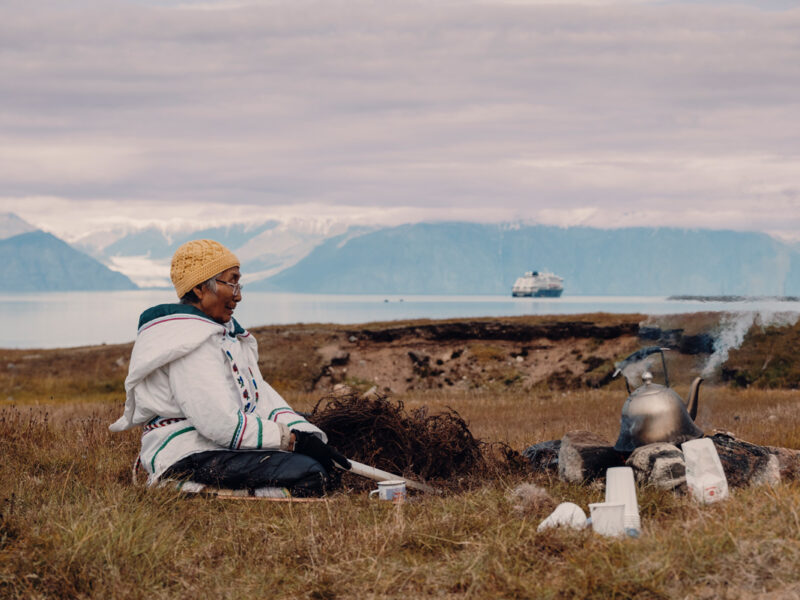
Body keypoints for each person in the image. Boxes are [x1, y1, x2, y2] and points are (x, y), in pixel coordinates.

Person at [109, 239, 350, 496]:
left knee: (320, 454)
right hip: (187, 453)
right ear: (201, 288)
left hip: (213, 446)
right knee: (312, 475)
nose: (239, 295)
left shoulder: (221, 336)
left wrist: (308, 435)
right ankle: (181, 485)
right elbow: (219, 423)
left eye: (239, 283)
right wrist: (293, 441)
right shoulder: (188, 343)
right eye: (232, 282)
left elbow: (261, 400)